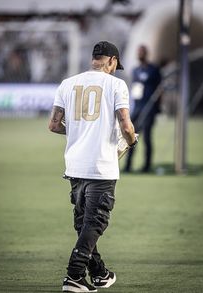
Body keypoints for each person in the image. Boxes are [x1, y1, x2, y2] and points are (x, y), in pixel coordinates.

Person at [49, 41, 138, 292]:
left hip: (75, 165)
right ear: (110, 61)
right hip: (101, 165)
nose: (114, 69)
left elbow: (54, 125)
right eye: (114, 65)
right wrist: (131, 142)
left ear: (93, 59)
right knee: (95, 222)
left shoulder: (67, 84)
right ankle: (74, 276)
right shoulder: (116, 85)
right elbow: (126, 125)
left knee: (84, 223)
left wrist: (79, 132)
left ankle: (99, 273)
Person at [123, 45, 161, 173]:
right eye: (138, 52)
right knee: (131, 137)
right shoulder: (135, 70)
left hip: (149, 108)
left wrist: (157, 108)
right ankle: (128, 166)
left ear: (146, 54)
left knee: (147, 138)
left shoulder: (153, 70)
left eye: (141, 52)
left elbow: (159, 90)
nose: (139, 54)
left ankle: (147, 166)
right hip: (137, 108)